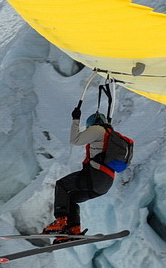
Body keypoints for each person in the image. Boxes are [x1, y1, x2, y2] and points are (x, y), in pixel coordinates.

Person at [42, 104, 117, 244]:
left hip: (95, 176)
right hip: (105, 183)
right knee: (71, 199)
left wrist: (76, 119)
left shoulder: (98, 130)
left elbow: (74, 140)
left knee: (61, 185)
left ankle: (60, 223)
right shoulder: (111, 136)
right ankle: (73, 230)